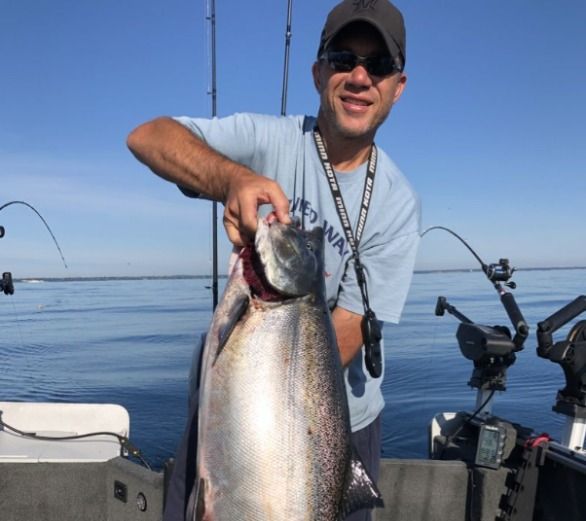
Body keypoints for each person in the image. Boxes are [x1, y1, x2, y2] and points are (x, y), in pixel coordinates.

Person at [127, 1, 420, 519]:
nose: (358, 77)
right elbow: (148, 137)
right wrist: (232, 179)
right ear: (317, 73)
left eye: (377, 66)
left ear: (398, 87)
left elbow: (347, 330)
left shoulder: (398, 203)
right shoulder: (269, 140)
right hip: (235, 408)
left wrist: (285, 409)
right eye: (342, 57)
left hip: (339, 426)